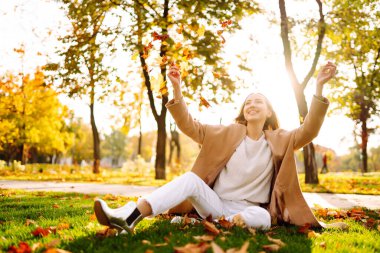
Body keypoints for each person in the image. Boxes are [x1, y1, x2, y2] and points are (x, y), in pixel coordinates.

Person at [94, 62, 337, 233]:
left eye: (258, 102)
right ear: (243, 110)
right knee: (189, 180)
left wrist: (318, 88)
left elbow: (310, 130)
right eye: (248, 102)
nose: (252, 105)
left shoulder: (282, 139)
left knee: (263, 218)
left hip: (249, 209)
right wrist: (177, 90)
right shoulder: (226, 133)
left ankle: (204, 224)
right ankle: (130, 216)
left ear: (269, 111)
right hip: (215, 202)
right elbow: (190, 126)